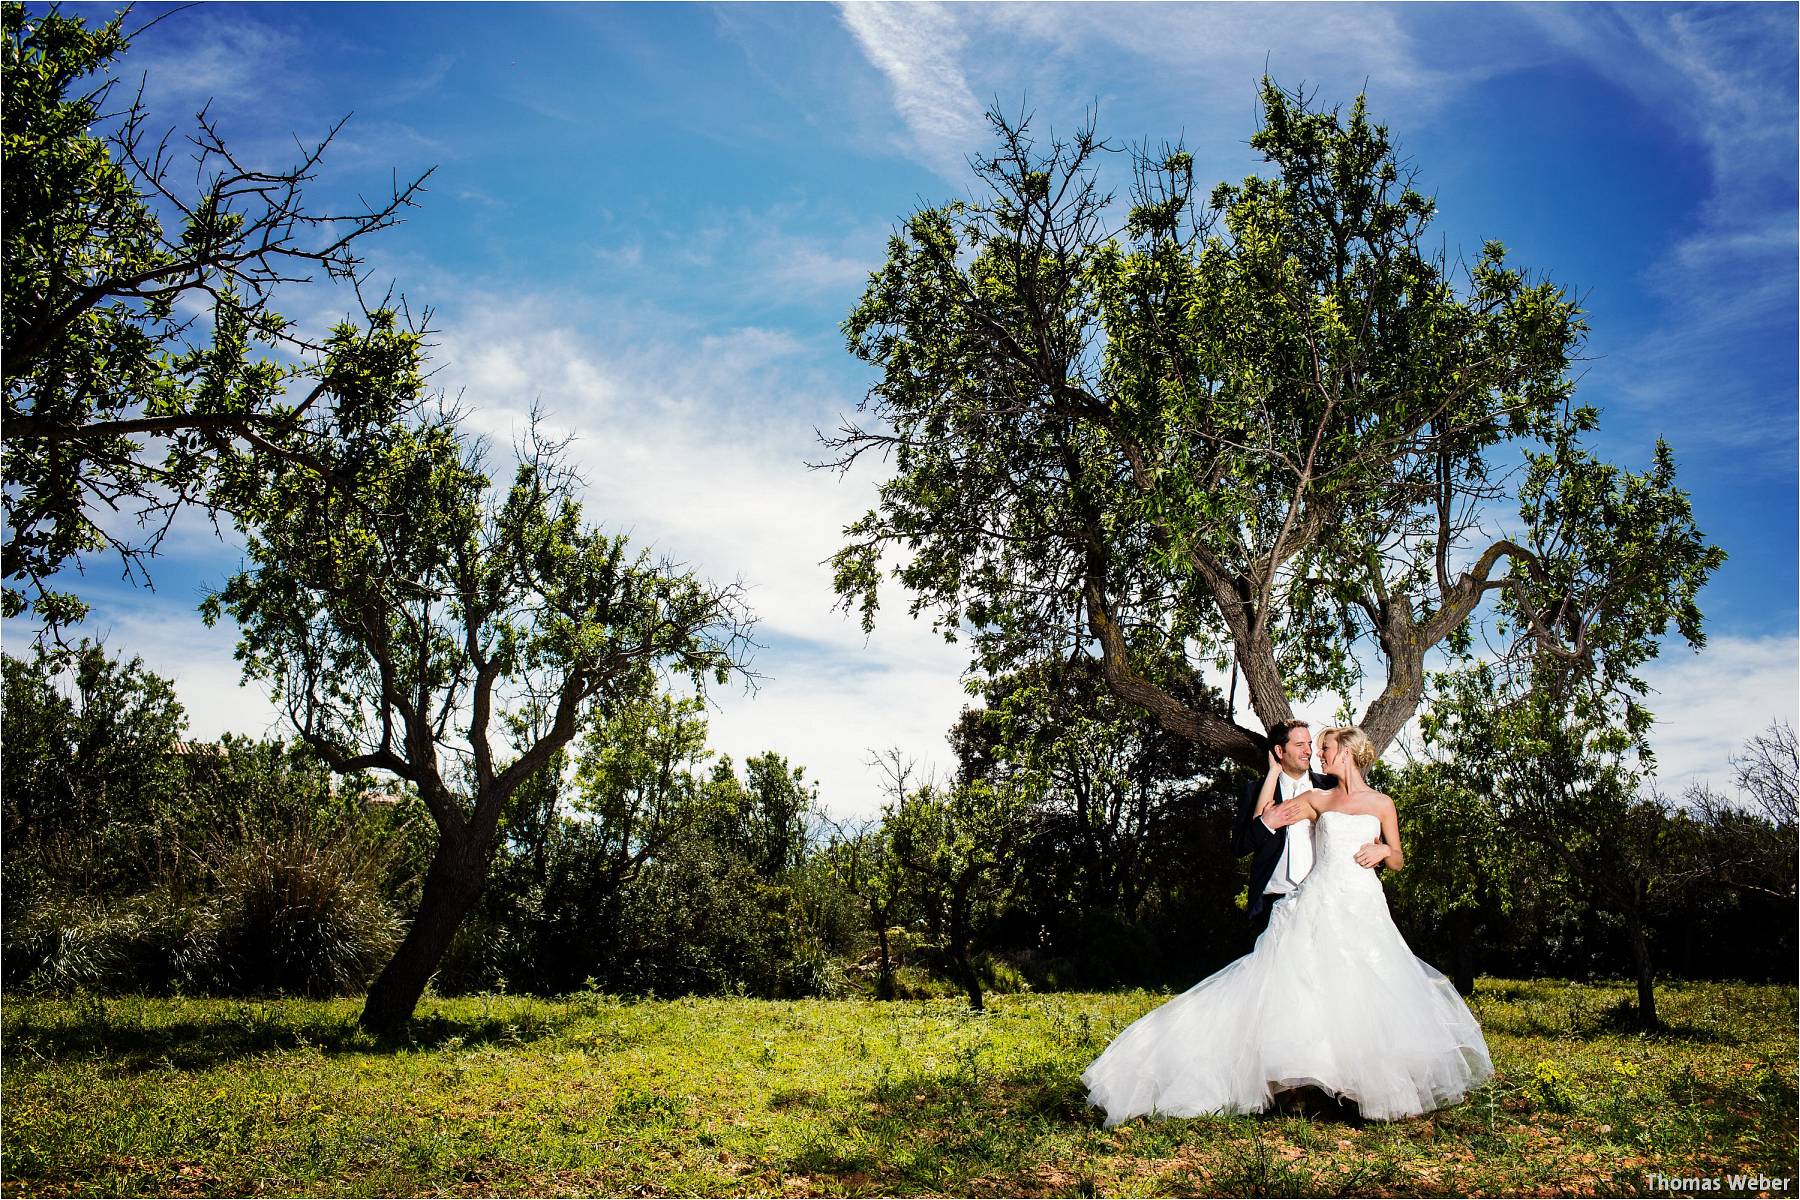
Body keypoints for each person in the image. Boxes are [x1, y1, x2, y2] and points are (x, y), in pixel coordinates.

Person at [1081, 725, 1492, 1124]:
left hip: (1363, 903)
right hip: (1319, 898)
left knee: (1367, 985)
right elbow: (1267, 817)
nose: (1319, 754)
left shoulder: (1383, 803)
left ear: (1345, 753)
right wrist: (1273, 773)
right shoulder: (1318, 799)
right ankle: (1315, 1085)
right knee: (1309, 986)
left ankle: (1370, 1086)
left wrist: (1383, 849)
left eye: (1326, 748)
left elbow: (1399, 859)